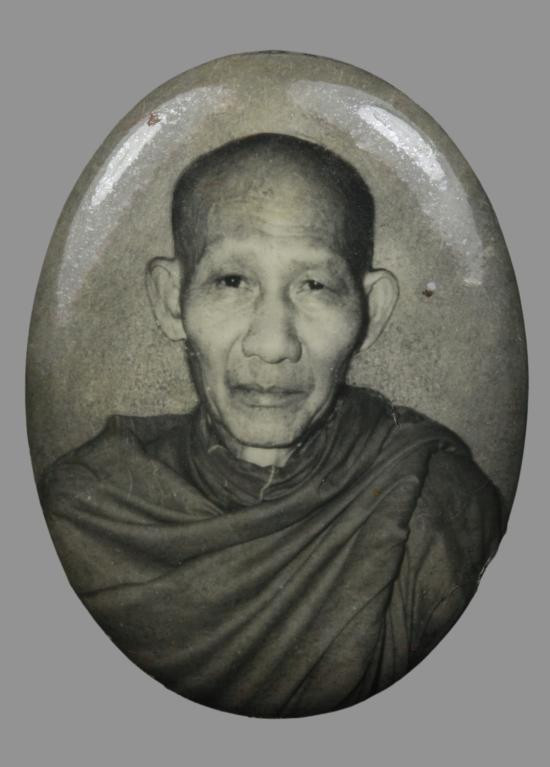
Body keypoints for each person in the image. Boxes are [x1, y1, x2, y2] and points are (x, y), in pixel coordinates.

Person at [41, 133, 504, 718]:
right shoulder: (86, 513)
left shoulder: (434, 507)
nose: (273, 344)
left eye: (314, 285)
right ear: (171, 300)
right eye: (232, 281)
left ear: (371, 311)